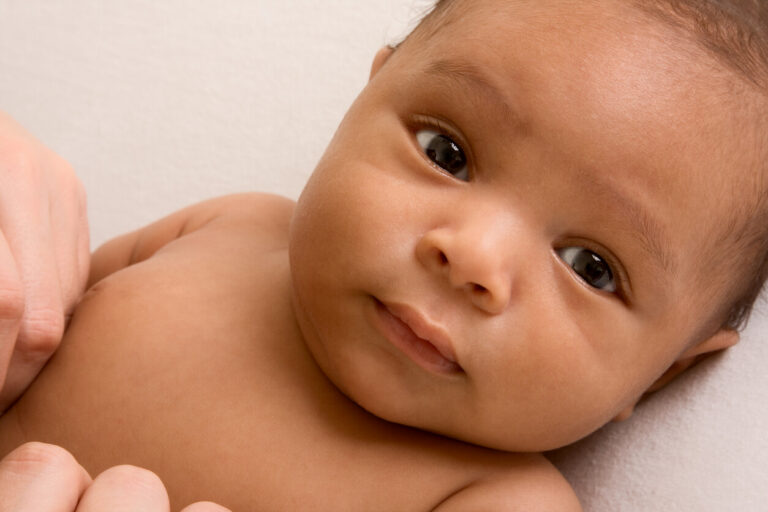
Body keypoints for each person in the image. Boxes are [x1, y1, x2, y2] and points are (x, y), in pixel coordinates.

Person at [2, 0, 766, 509]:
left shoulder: (492, 499)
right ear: (362, 100)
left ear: (667, 370)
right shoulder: (221, 230)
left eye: (591, 266)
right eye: (448, 152)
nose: (472, 257)